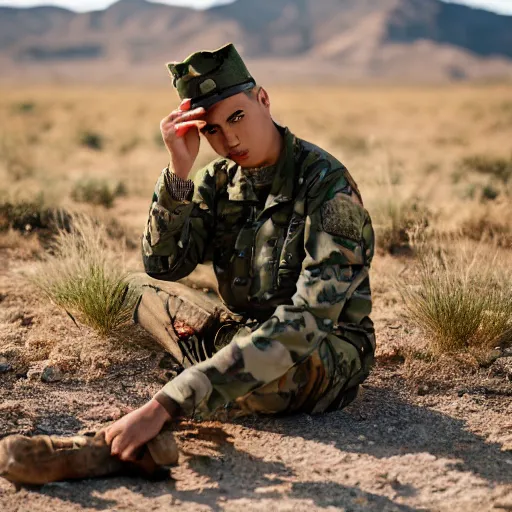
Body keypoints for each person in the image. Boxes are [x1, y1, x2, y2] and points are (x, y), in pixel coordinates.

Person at [105, 43, 376, 463]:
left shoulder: (327, 185)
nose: (229, 138)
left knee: (274, 383)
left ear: (262, 100)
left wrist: (171, 400)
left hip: (321, 348)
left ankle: (208, 369)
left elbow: (309, 320)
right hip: (243, 330)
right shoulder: (217, 180)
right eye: (212, 130)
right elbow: (162, 265)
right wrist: (179, 173)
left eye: (237, 117)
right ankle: (219, 366)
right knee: (135, 289)